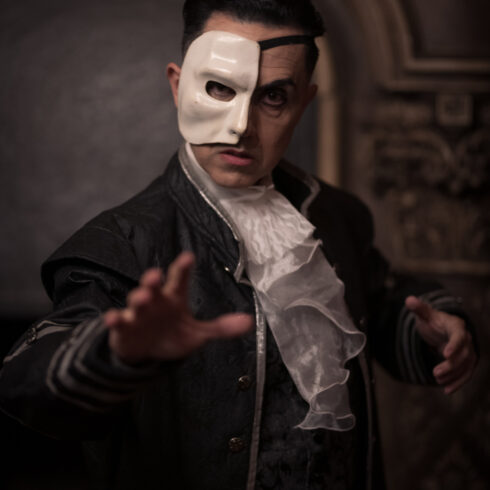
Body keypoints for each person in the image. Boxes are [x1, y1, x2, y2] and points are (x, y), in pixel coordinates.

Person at [0, 1, 478, 489]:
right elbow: (24, 380)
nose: (242, 127)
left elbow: (378, 300)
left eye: (273, 97)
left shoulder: (337, 217)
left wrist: (435, 331)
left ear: (304, 103)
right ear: (177, 86)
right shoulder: (122, 243)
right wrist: (112, 352)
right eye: (219, 89)